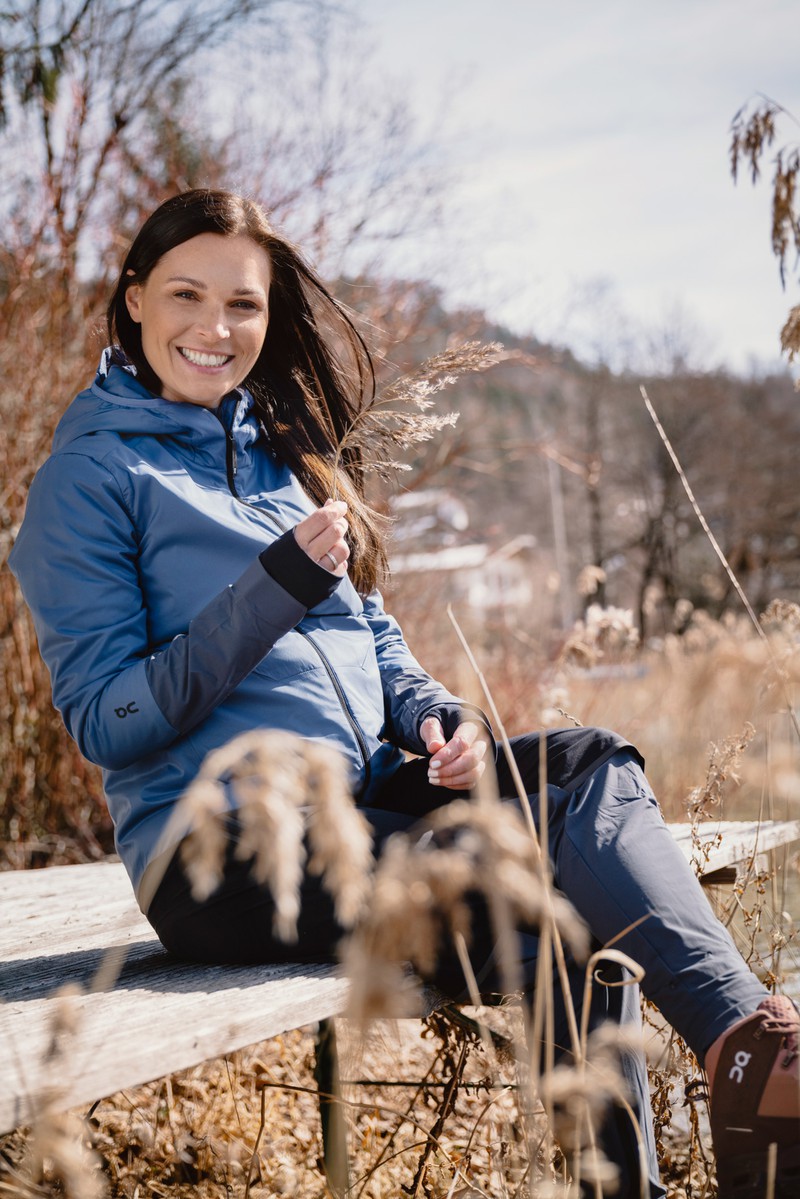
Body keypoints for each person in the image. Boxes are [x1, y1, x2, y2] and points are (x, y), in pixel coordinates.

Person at [9, 189, 798, 1198]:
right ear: (131, 303)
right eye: (185, 296)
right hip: (227, 856)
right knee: (560, 906)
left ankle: (745, 1048)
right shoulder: (90, 476)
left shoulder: (280, 457)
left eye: (242, 304)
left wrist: (438, 720)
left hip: (370, 800)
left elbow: (377, 645)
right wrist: (270, 588)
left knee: (589, 762)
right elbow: (108, 721)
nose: (215, 328)